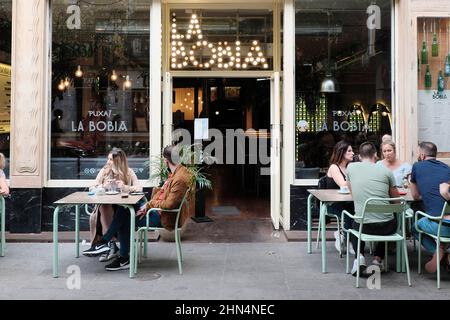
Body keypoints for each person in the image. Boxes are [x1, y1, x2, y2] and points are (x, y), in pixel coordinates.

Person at [86, 145, 192, 271]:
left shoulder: (179, 178)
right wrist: (148, 205)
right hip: (156, 212)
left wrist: (148, 205)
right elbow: (161, 194)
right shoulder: (177, 173)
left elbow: (169, 204)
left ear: (166, 160)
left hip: (163, 217)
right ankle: (114, 250)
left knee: (125, 214)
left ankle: (109, 246)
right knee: (125, 211)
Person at [347, 142, 400, 276]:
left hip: (363, 227)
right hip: (387, 228)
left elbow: (353, 193)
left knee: (355, 223)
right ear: (376, 155)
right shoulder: (386, 171)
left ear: (359, 156)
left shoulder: (351, 168)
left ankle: (359, 257)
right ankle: (378, 260)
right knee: (389, 217)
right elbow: (397, 201)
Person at [84, 148, 142, 262]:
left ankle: (106, 244)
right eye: (108, 159)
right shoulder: (105, 171)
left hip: (123, 206)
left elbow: (139, 188)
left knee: (120, 209)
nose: (108, 162)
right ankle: (109, 245)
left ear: (118, 161)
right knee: (104, 206)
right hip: (107, 205)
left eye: (111, 160)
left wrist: (126, 188)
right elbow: (91, 187)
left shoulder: (128, 172)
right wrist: (102, 186)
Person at [410, 142, 450, 273]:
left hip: (440, 227)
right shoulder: (446, 168)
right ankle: (444, 253)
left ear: (421, 155)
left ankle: (437, 251)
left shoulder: (417, 166)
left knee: (415, 226)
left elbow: (415, 196)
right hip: (447, 222)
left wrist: (425, 196)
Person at [324, 140, 355, 254]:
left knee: (357, 211)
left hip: (348, 201)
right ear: (342, 153)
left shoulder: (349, 167)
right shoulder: (334, 167)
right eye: (349, 151)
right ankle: (348, 239)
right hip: (333, 204)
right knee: (350, 213)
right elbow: (343, 185)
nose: (353, 153)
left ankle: (347, 237)